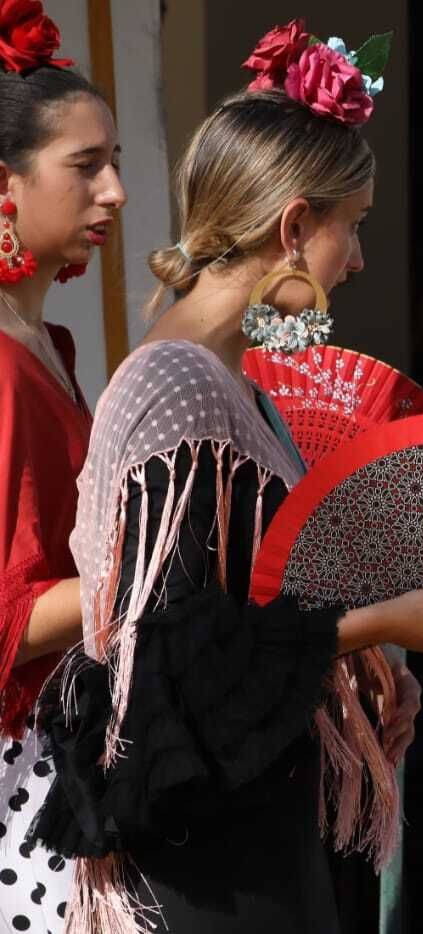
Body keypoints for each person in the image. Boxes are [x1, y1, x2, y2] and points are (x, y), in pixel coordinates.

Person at [28, 20, 423, 933]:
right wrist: (378, 621)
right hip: (202, 877)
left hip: (246, 844)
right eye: (348, 228)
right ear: (292, 227)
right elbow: (171, 672)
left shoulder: (231, 385)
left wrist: (364, 662)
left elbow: (247, 614)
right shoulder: (176, 389)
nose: (357, 259)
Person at [0, 2, 125, 929]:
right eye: (85, 167)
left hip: (66, 746)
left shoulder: (51, 347)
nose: (115, 190)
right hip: (19, 773)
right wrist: (157, 578)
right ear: (4, 183)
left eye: (115, 162)